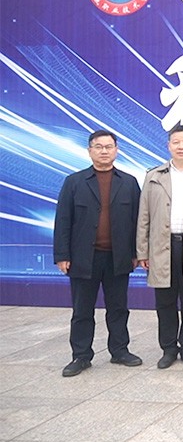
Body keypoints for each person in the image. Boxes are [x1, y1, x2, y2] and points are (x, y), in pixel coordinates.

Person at [54, 129, 142, 377]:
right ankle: (81, 356)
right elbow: (63, 220)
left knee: (118, 308)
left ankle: (120, 351)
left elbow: (138, 221)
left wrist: (137, 252)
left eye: (109, 147)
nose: (104, 151)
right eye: (99, 147)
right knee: (82, 310)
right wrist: (62, 255)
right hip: (83, 257)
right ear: (90, 150)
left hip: (118, 257)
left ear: (117, 150)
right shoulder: (74, 182)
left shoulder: (129, 182)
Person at [136, 124, 183, 369]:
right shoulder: (154, 176)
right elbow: (144, 216)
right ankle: (168, 348)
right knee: (165, 301)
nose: (181, 146)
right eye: (176, 142)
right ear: (169, 145)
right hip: (161, 247)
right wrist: (142, 251)